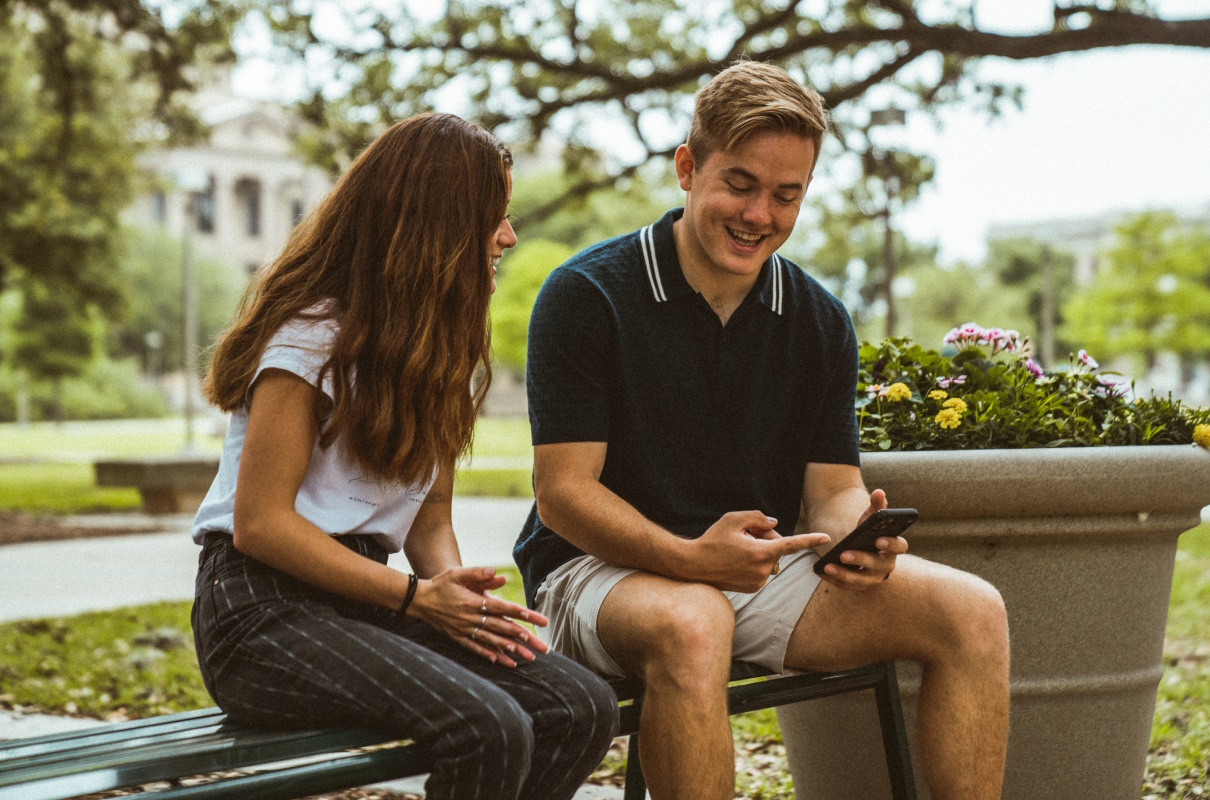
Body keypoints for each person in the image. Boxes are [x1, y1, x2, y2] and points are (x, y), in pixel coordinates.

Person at [514, 62, 1010, 800]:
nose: (760, 215)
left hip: (749, 572)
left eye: (787, 195)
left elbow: (833, 489)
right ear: (688, 168)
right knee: (694, 621)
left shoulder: (819, 320)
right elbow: (563, 496)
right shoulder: (587, 294)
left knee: (973, 611)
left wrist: (855, 536)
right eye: (740, 184)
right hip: (595, 569)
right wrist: (689, 559)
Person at [191, 113, 619, 800]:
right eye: (493, 217)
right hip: (258, 613)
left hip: (369, 600)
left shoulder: (438, 353)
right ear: (436, 225)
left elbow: (427, 523)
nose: (508, 235)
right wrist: (421, 599)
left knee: (579, 707)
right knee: (488, 727)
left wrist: (463, 604)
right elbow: (261, 525)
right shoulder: (308, 339)